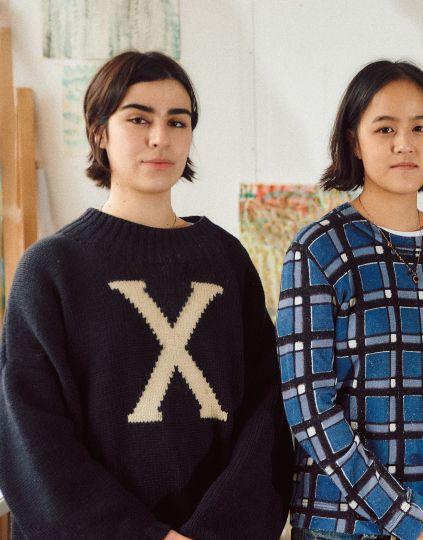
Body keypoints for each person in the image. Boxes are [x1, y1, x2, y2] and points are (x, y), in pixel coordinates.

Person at [0, 51, 292, 539]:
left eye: (177, 121)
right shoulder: (51, 269)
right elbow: (29, 439)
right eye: (138, 118)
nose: (161, 137)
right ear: (99, 131)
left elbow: (270, 410)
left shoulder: (227, 260)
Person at [277, 60, 423, 540]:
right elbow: (310, 408)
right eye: (385, 128)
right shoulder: (318, 249)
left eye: (421, 127)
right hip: (343, 527)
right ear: (354, 141)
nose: (405, 143)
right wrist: (407, 518)